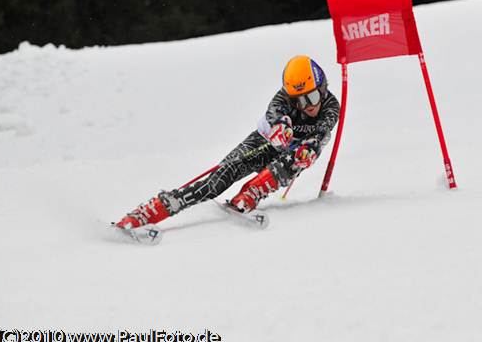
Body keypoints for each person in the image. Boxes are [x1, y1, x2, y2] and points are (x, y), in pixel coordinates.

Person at [115, 55, 340, 230]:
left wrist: (310, 146)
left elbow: (320, 134)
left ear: (322, 88)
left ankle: (249, 195)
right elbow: (275, 112)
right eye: (298, 101)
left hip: (292, 156)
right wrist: (280, 124)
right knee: (217, 181)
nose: (306, 106)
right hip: (263, 144)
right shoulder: (282, 98)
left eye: (311, 97)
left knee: (300, 156)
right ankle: (151, 211)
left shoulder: (331, 106)